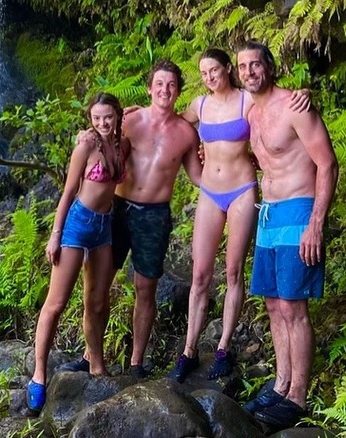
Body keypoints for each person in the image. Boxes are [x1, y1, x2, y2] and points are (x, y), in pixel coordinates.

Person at [168, 48, 311, 383]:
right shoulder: (199, 106)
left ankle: (223, 346)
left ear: (228, 69)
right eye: (203, 73)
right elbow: (171, 124)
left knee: (233, 270)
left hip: (241, 190)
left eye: (215, 70)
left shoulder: (247, 100)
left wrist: (304, 94)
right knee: (200, 274)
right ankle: (189, 349)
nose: (209, 78)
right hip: (209, 191)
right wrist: (133, 116)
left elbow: (277, 104)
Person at [59, 60, 202, 378]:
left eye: (171, 85)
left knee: (145, 287)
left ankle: (136, 362)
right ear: (150, 87)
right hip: (117, 209)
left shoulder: (186, 134)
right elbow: (100, 136)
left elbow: (199, 176)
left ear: (178, 90)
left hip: (154, 215)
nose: (165, 90)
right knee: (98, 285)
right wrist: (85, 136)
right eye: (159, 84)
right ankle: (90, 355)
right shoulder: (130, 121)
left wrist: (230, 165)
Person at [237, 41, 338, 428]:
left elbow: (327, 163)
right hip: (268, 215)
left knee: (294, 308)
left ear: (270, 67)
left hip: (298, 211)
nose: (249, 71)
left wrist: (316, 224)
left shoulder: (295, 106)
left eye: (256, 64)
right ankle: (280, 385)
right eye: (243, 66)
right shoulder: (251, 113)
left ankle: (298, 396)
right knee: (274, 304)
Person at [27, 92, 129, 413]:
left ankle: (95, 363)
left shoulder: (120, 144)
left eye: (108, 117)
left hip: (104, 226)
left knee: (98, 301)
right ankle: (39, 375)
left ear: (117, 116)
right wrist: (55, 235)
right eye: (96, 118)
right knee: (56, 304)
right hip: (77, 224)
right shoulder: (85, 145)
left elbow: (140, 114)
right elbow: (68, 191)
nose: (102, 123)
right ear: (90, 119)